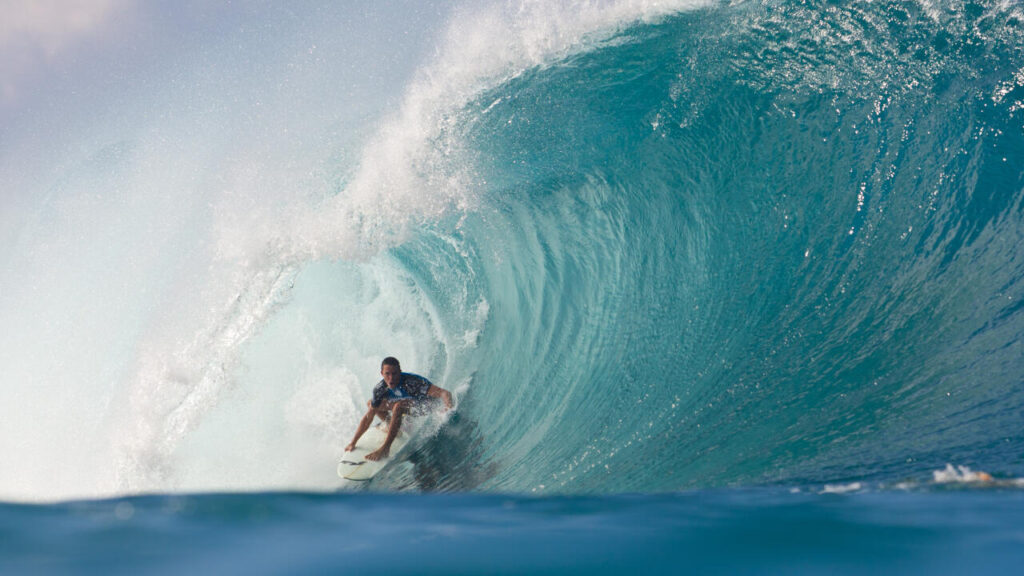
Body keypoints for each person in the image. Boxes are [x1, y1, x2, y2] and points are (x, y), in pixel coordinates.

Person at [344, 357, 453, 461]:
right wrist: (353, 442)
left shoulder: (412, 382)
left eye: (394, 374)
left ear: (400, 372)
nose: (391, 378)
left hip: (425, 407)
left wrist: (448, 411)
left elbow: (445, 393)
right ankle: (391, 425)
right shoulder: (380, 389)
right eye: (387, 374)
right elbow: (368, 417)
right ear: (381, 373)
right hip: (408, 407)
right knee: (372, 404)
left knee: (398, 406)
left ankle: (386, 448)